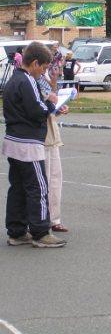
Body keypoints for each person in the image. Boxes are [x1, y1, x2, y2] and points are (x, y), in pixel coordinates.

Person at [2, 41, 67, 248]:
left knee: (18, 188)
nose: (44, 72)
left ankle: (17, 231)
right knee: (38, 188)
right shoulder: (28, 80)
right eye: (45, 68)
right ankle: (40, 231)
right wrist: (51, 102)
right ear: (35, 63)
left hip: (13, 140)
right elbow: (37, 110)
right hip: (28, 144)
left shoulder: (13, 80)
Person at [37, 69, 70, 233]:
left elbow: (52, 96)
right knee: (44, 181)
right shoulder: (29, 79)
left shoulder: (44, 77)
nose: (46, 68)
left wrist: (59, 108)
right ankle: (40, 221)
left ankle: (54, 219)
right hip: (40, 138)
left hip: (52, 134)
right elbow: (41, 102)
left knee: (56, 179)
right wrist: (49, 99)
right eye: (44, 65)